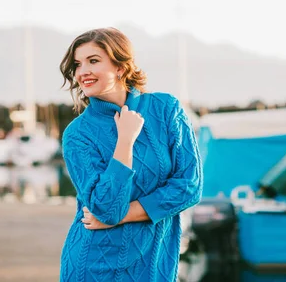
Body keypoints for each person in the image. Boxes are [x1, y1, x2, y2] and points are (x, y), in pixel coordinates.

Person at [58, 27, 202, 282]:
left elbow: (190, 186)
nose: (83, 72)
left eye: (93, 61)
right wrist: (125, 140)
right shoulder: (77, 134)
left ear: (121, 68)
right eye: (78, 64)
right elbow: (105, 209)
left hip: (155, 262)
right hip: (94, 265)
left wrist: (125, 214)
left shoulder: (165, 109)